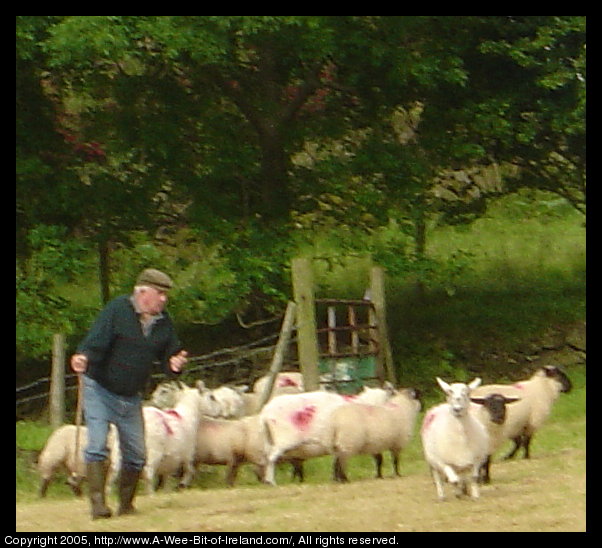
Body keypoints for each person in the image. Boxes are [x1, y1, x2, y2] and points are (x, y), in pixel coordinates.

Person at [70, 268, 188, 519]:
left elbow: (170, 355)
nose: (164, 299)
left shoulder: (163, 322)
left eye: (166, 294)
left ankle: (126, 504)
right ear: (143, 293)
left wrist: (174, 364)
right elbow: (96, 341)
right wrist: (83, 357)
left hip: (130, 395)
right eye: (160, 293)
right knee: (97, 445)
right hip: (100, 388)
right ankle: (98, 505)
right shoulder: (117, 311)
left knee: (136, 454)